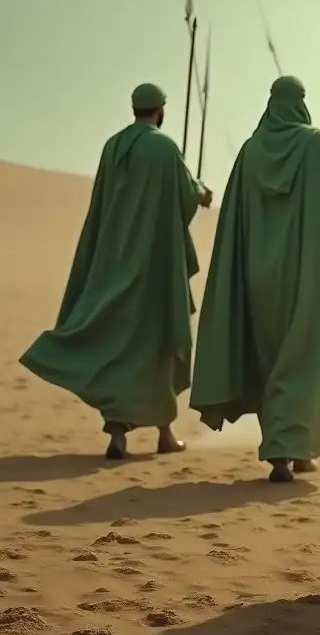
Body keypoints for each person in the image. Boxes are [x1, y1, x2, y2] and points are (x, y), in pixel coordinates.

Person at [20, 83, 212, 459]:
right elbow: (184, 197)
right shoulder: (165, 147)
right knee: (156, 346)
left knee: (117, 348)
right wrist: (202, 192)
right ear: (160, 110)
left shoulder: (113, 146)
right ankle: (164, 434)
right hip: (153, 268)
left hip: (112, 263)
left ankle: (119, 437)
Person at [190, 77, 320, 482]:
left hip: (257, 281)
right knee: (304, 359)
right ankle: (289, 446)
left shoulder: (250, 151)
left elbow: (235, 221)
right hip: (306, 277)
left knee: (271, 358)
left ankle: (290, 449)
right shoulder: (318, 144)